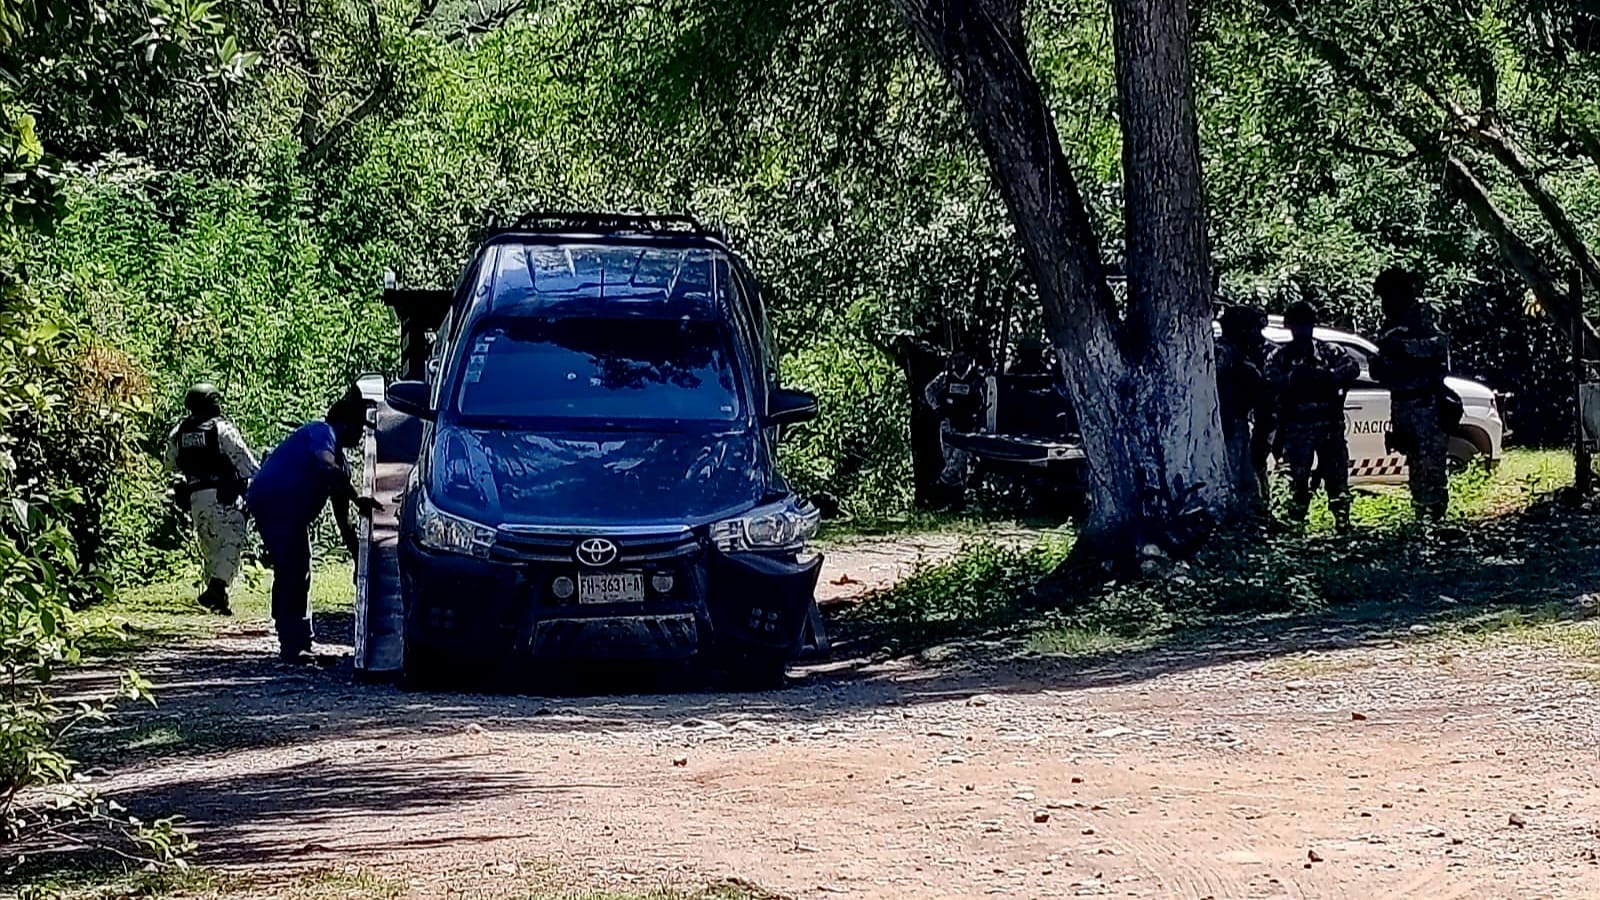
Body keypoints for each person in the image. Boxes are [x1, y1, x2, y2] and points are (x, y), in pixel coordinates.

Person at [247, 397, 381, 662]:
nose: (359, 435)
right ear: (344, 424)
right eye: (358, 427)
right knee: (293, 570)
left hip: (286, 509)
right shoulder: (321, 432)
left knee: (297, 568)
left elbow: (344, 522)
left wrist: (359, 560)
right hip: (274, 500)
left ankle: (298, 640)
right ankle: (292, 643)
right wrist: (358, 498)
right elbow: (324, 465)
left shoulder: (341, 466)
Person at [164, 383, 259, 615]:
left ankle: (218, 600)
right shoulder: (222, 430)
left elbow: (170, 464)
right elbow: (246, 464)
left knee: (210, 548)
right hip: (223, 496)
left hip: (196, 498)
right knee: (232, 541)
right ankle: (217, 588)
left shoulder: (179, 432)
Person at [1265, 301, 1361, 531]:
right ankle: (1295, 527)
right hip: (1296, 429)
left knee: (1337, 480)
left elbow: (1352, 368)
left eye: (1305, 324)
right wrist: (1294, 378)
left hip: (1329, 427)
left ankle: (1343, 524)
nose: (1301, 330)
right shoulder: (1280, 357)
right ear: (1289, 326)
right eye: (1297, 325)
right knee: (1296, 483)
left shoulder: (1329, 351)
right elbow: (1269, 382)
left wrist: (1327, 377)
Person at [1370, 267, 1456, 521]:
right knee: (1415, 465)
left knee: (1432, 467)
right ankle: (1421, 517)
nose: (1385, 303)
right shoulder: (1390, 324)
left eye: (1388, 296)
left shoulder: (1422, 315)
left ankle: (1436, 519)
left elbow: (1440, 345)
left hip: (1425, 403)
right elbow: (1382, 365)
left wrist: (1406, 347)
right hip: (1402, 404)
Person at [1215, 305, 1271, 511]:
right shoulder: (1224, 354)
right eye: (1255, 330)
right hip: (1227, 429)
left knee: (1249, 489)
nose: (1259, 337)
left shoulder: (1245, 356)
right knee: (1235, 486)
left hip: (1239, 427)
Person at [923, 351, 983, 497]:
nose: (958, 362)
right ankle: (958, 495)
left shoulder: (976, 379)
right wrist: (937, 408)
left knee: (959, 460)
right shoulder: (946, 377)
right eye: (955, 359)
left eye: (961, 358)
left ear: (968, 358)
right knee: (950, 460)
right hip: (948, 424)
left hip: (967, 427)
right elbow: (928, 390)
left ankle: (941, 486)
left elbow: (985, 401)